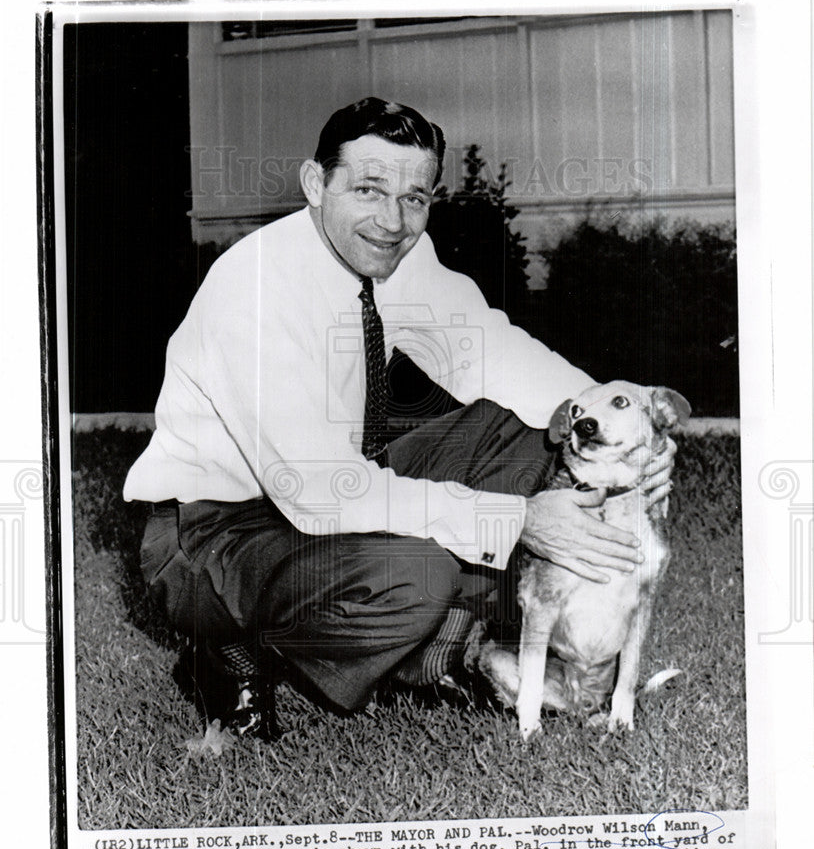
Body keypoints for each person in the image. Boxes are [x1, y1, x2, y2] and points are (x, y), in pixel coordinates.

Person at [124, 97, 673, 734]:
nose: (393, 220)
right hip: (210, 533)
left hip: (325, 486)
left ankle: (457, 647)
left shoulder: (389, 254)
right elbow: (318, 492)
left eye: (415, 197)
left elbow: (488, 351)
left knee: (526, 435)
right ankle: (233, 649)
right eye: (369, 189)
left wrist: (620, 434)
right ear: (315, 184)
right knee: (413, 577)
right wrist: (517, 518)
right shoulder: (255, 289)